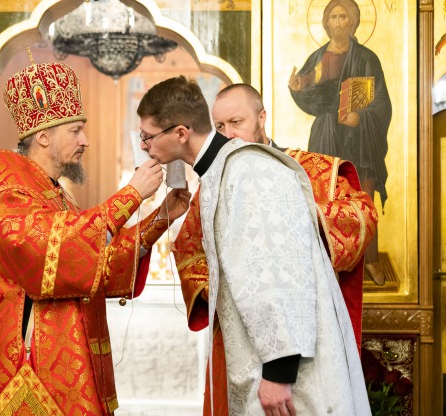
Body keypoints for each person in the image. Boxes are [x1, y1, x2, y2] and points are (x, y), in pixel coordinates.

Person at [137, 76, 370, 415]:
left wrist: (278, 372)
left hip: (291, 380)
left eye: (148, 136)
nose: (144, 146)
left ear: (181, 133)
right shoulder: (225, 169)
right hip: (261, 365)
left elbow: (279, 268)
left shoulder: (250, 170)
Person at [0, 61, 190, 416]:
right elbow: (51, 254)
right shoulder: (12, 194)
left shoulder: (54, 194)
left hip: (65, 358)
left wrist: (160, 217)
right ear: (44, 136)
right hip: (32, 370)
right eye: (75, 130)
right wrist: (131, 194)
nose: (85, 140)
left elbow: (98, 263)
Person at [288, 0, 391, 285]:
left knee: (362, 195)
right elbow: (308, 92)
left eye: (343, 16)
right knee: (327, 196)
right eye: (332, 17)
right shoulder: (318, 57)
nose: (337, 22)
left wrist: (361, 117)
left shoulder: (367, 58)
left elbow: (382, 102)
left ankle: (369, 260)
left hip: (360, 139)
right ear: (325, 23)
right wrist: (297, 88)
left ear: (353, 22)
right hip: (326, 134)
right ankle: (327, 261)